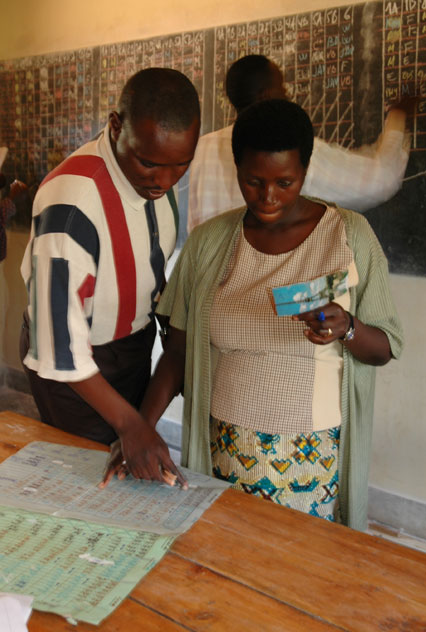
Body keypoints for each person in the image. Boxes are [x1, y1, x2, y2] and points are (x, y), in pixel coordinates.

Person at [103, 99, 403, 532]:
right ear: (237, 169)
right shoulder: (209, 243)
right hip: (223, 449)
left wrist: (347, 327)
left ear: (305, 169)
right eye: (253, 181)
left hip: (311, 460)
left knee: (300, 561)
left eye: (285, 182)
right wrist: (139, 430)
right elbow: (177, 354)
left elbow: (385, 347)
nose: (268, 196)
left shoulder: (349, 235)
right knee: (224, 554)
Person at [20, 68, 200, 485]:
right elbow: (58, 347)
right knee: (89, 475)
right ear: (117, 126)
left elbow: (148, 265)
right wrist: (131, 425)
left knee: (125, 464)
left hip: (132, 348)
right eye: (149, 163)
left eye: (180, 166)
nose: (163, 181)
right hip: (77, 368)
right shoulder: (72, 204)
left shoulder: (157, 173)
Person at [187, 54, 411, 232]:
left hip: (209, 275)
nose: (287, 93)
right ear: (266, 96)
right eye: (281, 87)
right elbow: (378, 180)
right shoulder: (291, 152)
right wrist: (398, 117)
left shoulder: (202, 148)